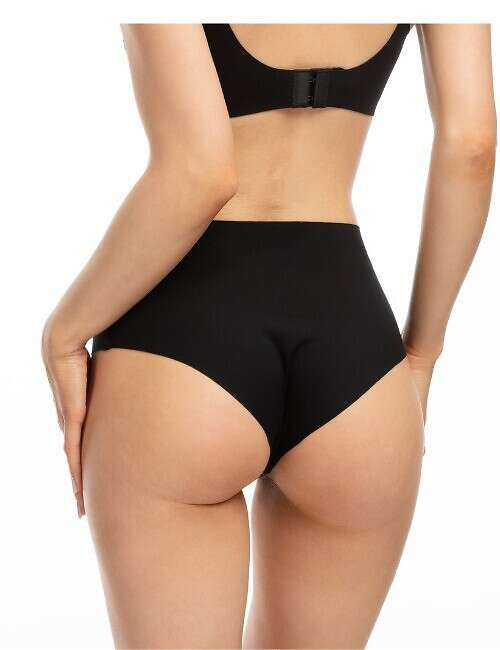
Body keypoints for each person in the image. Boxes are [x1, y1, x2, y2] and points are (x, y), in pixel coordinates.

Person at [42, 24, 496, 649]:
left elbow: (201, 172)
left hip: (183, 348)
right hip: (356, 354)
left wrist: (64, 332)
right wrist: (420, 355)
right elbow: (473, 143)